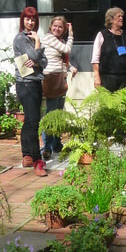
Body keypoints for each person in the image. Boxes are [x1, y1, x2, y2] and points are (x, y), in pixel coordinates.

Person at [13, 6, 48, 173]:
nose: (30, 22)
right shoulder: (20, 39)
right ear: (23, 20)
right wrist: (38, 44)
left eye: (33, 19)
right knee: (34, 123)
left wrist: (36, 61)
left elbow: (44, 62)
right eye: (27, 19)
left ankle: (26, 155)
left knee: (29, 121)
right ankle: (37, 161)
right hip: (26, 84)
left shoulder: (33, 37)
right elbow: (35, 57)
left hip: (35, 83)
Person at [40, 15, 77, 160]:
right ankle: (47, 147)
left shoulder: (59, 40)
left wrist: (71, 67)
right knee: (50, 115)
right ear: (50, 27)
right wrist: (72, 34)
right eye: (55, 25)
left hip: (60, 79)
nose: (57, 28)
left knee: (58, 114)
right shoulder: (49, 38)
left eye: (60, 27)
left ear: (63, 30)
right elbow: (67, 49)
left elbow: (61, 61)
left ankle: (56, 144)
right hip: (51, 79)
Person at [91, 7, 126, 92]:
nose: (121, 18)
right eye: (118, 16)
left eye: (122, 16)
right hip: (107, 78)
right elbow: (95, 59)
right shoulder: (102, 35)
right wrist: (96, 76)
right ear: (111, 19)